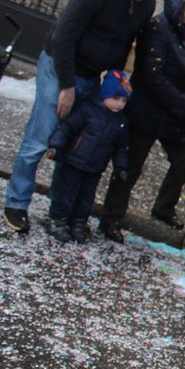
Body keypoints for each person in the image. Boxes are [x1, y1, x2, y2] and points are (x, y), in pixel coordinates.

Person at [3, 0, 167, 234]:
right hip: (60, 67)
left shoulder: (144, 3)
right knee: (41, 138)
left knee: (74, 145)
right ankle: (16, 203)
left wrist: (112, 82)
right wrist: (67, 86)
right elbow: (65, 35)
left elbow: (125, 42)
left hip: (94, 75)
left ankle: (59, 211)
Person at [98, 0, 185, 242]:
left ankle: (163, 208)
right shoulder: (157, 28)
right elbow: (152, 77)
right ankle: (111, 217)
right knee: (130, 166)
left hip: (176, 116)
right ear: (179, 2)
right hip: (148, 111)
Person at [45, 70, 131, 243]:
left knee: (86, 198)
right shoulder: (87, 109)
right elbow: (67, 128)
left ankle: (78, 222)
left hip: (95, 167)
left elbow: (120, 148)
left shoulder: (120, 122)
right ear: (104, 94)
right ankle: (58, 220)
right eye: (116, 99)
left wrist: (121, 168)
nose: (119, 104)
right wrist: (55, 146)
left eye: (123, 100)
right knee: (66, 193)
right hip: (74, 161)